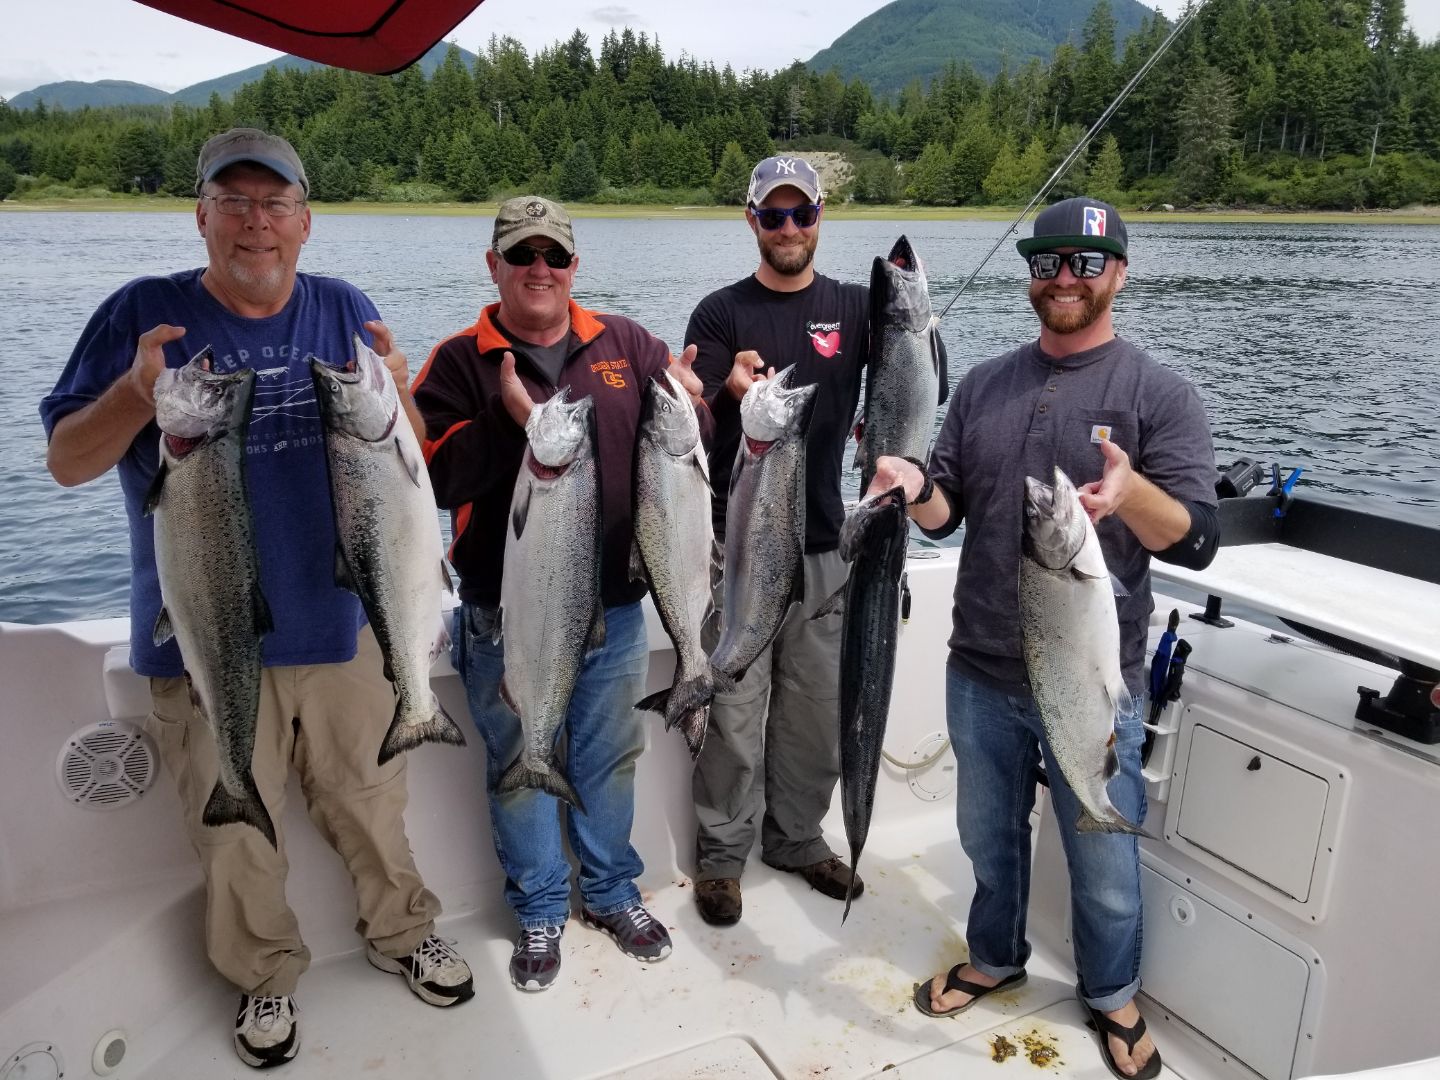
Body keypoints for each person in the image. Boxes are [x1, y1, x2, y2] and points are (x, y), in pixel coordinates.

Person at [40, 128, 473, 1071]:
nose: (255, 223)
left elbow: (404, 464)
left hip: (344, 624)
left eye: (274, 204)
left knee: (372, 801)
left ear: (305, 222)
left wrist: (399, 392)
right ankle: (265, 978)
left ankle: (403, 933)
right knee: (232, 828)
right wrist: (134, 396)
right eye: (232, 203)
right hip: (201, 634)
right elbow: (69, 461)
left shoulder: (344, 310)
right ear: (200, 215)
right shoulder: (140, 314)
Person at [871, 197, 1218, 1080]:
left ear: (1120, 275)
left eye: (1087, 263)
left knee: (1103, 860)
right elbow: (946, 518)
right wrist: (914, 485)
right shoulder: (983, 384)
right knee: (989, 840)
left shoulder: (1159, 394)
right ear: (1032, 276)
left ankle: (1112, 995)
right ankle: (996, 954)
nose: (1065, 278)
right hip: (979, 672)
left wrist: (1130, 496)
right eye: (1048, 262)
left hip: (1097, 685)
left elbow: (1197, 538)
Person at [411, 195, 710, 993]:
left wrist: (705, 396)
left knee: (611, 759)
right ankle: (541, 905)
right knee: (520, 753)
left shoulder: (627, 344)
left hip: (614, 605)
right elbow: (434, 478)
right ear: (494, 266)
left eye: (554, 256)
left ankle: (611, 891)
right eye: (521, 256)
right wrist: (515, 423)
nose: (538, 270)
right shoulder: (454, 362)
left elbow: (684, 450)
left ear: (575, 266)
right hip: (504, 612)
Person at [684, 155, 870, 927]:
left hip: (828, 545)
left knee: (816, 709)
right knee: (733, 705)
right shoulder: (720, 313)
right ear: (751, 220)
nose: (789, 228)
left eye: (802, 214)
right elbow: (694, 418)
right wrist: (724, 389)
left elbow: (907, 379)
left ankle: (795, 838)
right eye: (773, 215)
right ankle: (723, 855)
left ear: (822, 216)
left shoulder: (859, 308)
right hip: (740, 547)